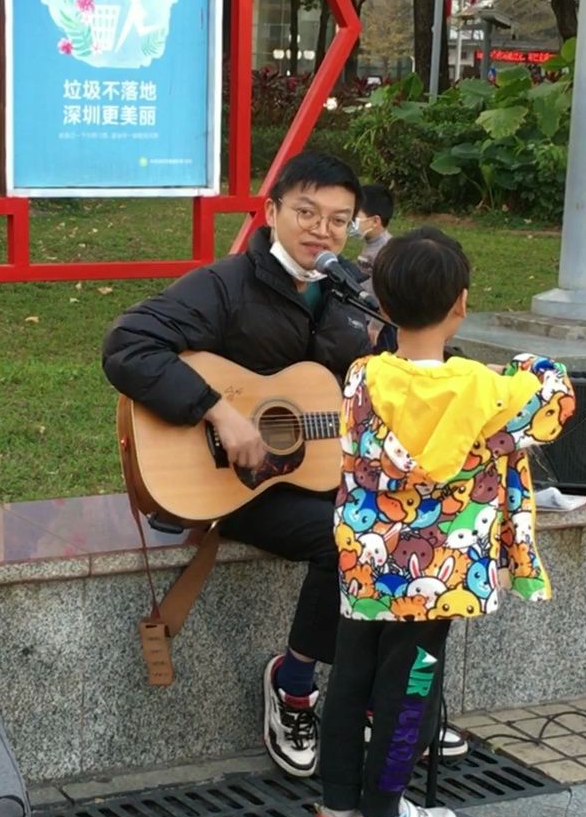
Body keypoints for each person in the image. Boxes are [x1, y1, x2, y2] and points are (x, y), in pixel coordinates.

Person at [101, 151, 465, 779]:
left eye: (338, 219)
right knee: (349, 540)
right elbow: (127, 347)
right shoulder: (223, 286)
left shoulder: (353, 297)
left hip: (320, 471)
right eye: (305, 212)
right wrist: (217, 410)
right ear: (270, 213)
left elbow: (384, 380)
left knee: (417, 527)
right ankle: (294, 684)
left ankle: (390, 699)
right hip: (231, 488)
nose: (320, 229)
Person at [310, 228, 576, 817]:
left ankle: (335, 814)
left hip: (366, 571)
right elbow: (555, 400)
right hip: (441, 576)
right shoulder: (490, 394)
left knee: (349, 679)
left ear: (386, 306)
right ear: (461, 304)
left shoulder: (361, 378)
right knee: (411, 689)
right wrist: (524, 366)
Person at [353, 184, 395, 275]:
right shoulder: (372, 242)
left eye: (355, 216)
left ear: (375, 221)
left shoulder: (386, 254)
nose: (350, 220)